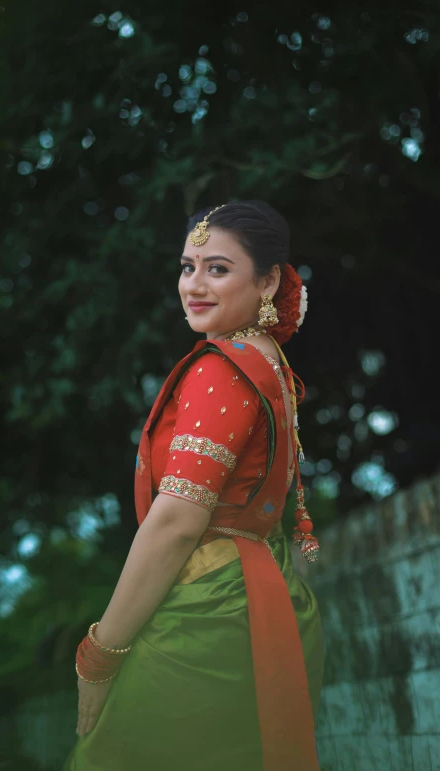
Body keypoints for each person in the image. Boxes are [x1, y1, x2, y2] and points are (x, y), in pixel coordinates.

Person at [63, 200, 324, 771]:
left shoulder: (222, 367)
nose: (195, 286)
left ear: (269, 280)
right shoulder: (267, 360)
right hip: (260, 598)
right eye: (188, 267)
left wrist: (99, 656)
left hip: (210, 618)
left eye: (218, 269)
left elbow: (178, 523)